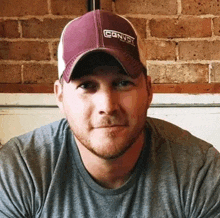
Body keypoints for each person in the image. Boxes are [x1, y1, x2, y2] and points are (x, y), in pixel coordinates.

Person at [0, 10, 220, 217]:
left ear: (149, 90)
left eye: (123, 83)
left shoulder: (200, 172)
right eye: (86, 85)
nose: (108, 105)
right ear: (59, 96)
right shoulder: (20, 169)